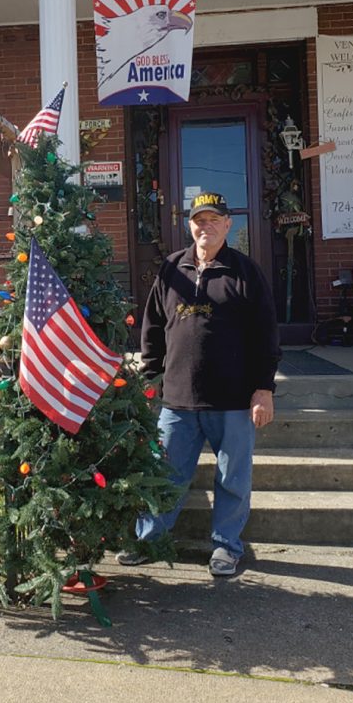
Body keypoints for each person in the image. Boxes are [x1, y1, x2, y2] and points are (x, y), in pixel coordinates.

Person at [118, 190, 280, 576]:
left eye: (213, 220)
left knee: (232, 479)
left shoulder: (245, 272)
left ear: (228, 224)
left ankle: (226, 547)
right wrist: (150, 377)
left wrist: (263, 388)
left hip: (234, 399)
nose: (205, 226)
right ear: (189, 225)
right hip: (176, 399)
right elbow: (153, 328)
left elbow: (265, 335)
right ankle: (149, 540)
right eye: (199, 220)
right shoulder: (171, 269)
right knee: (165, 476)